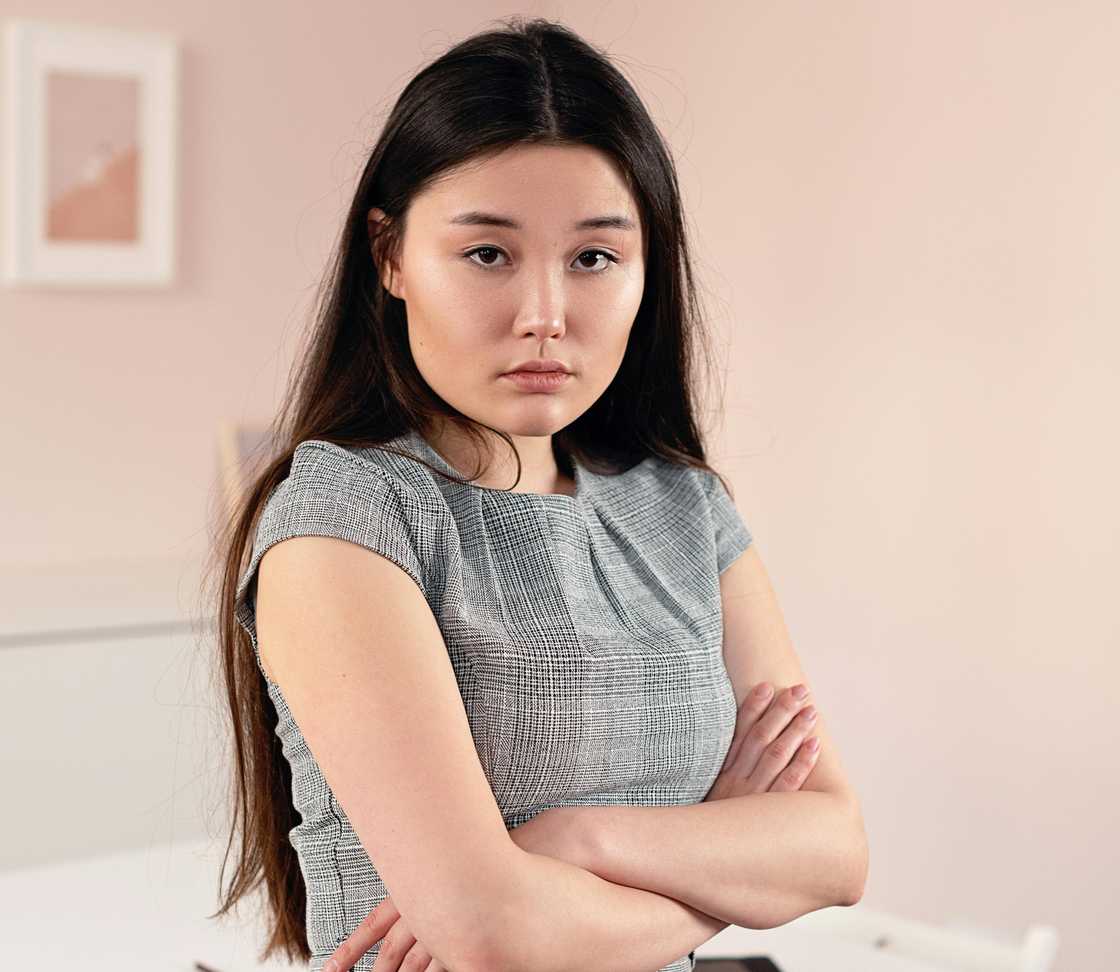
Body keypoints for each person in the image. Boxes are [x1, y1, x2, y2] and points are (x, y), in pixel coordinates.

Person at [206, 15, 863, 972]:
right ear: (389, 257)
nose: (545, 316)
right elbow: (498, 938)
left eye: (594, 257)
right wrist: (726, 870)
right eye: (488, 254)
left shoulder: (685, 509)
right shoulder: (344, 525)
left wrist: (584, 841)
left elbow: (837, 849)